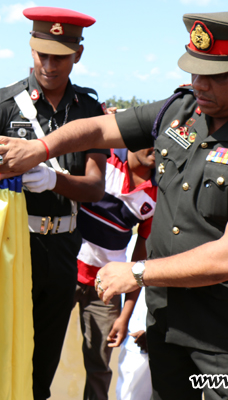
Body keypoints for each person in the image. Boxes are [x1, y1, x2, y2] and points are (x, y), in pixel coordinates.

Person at [0, 11, 228, 400]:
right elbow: (101, 128)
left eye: (216, 76)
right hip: (168, 318)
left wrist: (136, 272)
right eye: (194, 72)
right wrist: (39, 149)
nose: (199, 85)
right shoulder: (181, 110)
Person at [0, 6, 107, 400]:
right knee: (3, 350)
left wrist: (54, 180)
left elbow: (95, 187)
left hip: (63, 249)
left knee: (43, 362)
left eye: (60, 56)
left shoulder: (88, 110)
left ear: (77, 54)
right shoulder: (0, 105)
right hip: (10, 246)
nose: (49, 64)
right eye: (42, 54)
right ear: (31, 50)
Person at [75, 147, 156, 400]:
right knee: (43, 348)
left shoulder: (158, 192)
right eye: (147, 137)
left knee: (99, 367)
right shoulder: (102, 159)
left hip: (106, 289)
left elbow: (139, 260)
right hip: (64, 271)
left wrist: (125, 315)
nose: (154, 147)